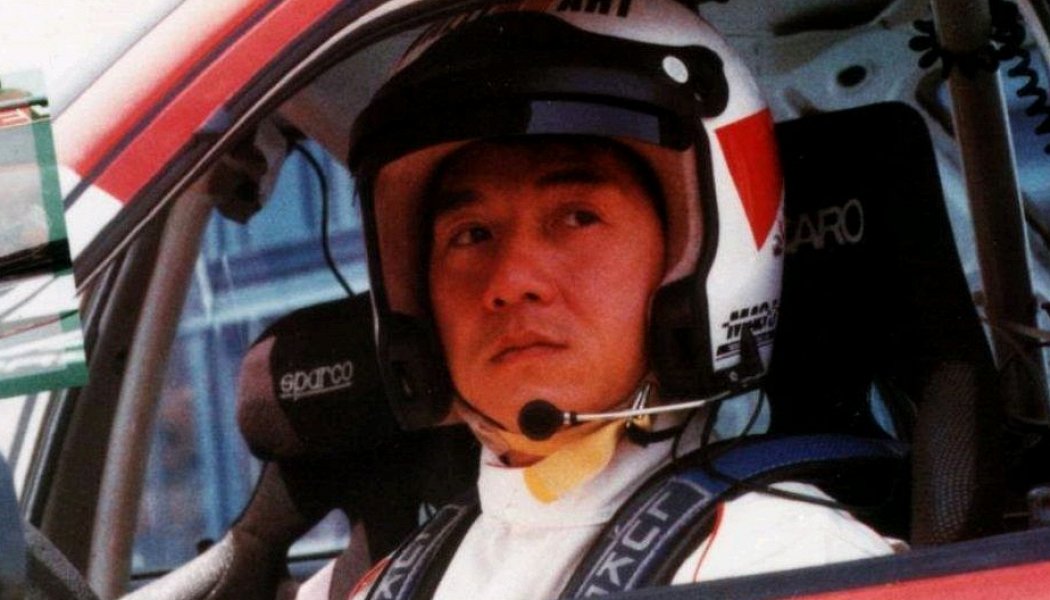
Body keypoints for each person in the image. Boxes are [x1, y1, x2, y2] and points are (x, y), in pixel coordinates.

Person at [298, 1, 904, 598]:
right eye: (472, 235)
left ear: (689, 263)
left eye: (576, 218)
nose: (511, 282)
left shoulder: (789, 565)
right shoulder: (379, 586)